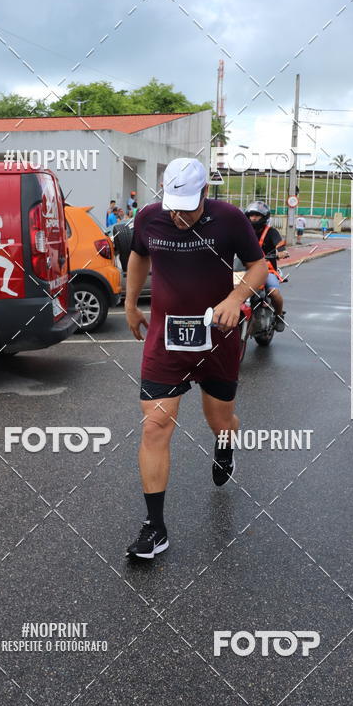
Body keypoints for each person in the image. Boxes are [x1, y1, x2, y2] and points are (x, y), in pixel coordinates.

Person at [124, 158, 268, 559]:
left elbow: (258, 265)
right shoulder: (150, 219)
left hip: (216, 337)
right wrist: (131, 304)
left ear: (205, 192)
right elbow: (139, 256)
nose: (178, 215)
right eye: (173, 205)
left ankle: (225, 446)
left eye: (187, 206)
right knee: (155, 427)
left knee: (219, 419)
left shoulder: (230, 219)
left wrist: (235, 298)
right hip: (166, 341)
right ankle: (155, 528)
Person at [244, 201, 288, 331]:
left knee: (273, 293)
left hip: (267, 271)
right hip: (245, 270)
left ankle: (279, 315)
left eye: (257, 215)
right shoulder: (243, 231)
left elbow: (280, 246)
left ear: (264, 217)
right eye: (251, 215)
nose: (254, 218)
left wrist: (281, 252)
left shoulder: (271, 232)